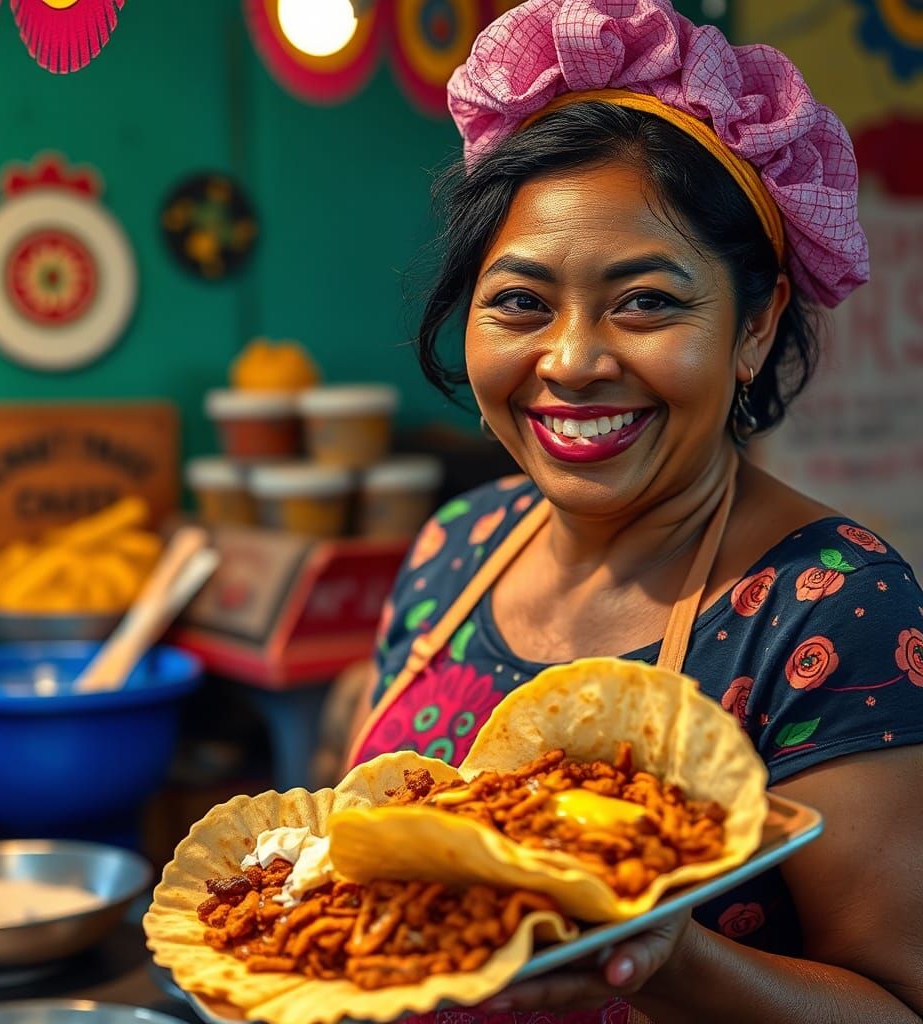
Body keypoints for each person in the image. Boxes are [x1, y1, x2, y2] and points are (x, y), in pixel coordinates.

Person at [333, 1, 923, 1021]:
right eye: (519, 301)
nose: (570, 361)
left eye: (646, 300)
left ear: (755, 324)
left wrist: (669, 957)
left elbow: (896, 1006)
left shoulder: (835, 609)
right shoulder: (452, 544)